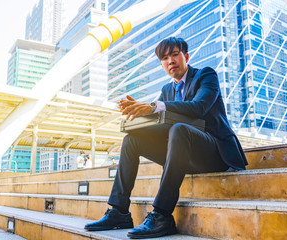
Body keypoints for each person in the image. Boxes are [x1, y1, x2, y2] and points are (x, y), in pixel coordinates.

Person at [84, 37, 248, 238]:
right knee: (131, 139)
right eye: (164, 58)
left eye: (174, 54)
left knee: (179, 129)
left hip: (215, 153)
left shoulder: (206, 75)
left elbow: (199, 107)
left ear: (185, 56)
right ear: (161, 64)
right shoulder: (166, 90)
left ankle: (162, 215)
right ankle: (119, 211)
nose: (170, 60)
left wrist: (153, 106)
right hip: (184, 156)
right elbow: (159, 121)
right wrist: (142, 113)